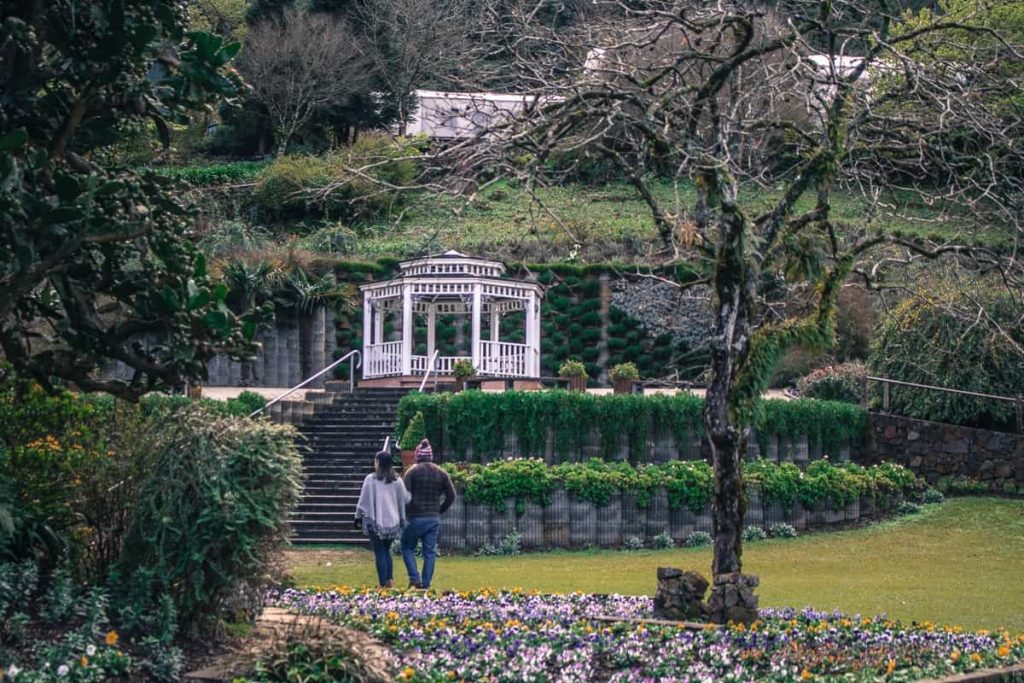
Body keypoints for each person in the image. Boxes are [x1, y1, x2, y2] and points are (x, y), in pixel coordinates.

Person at [401, 438, 455, 590]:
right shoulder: (441, 473)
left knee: (406, 546)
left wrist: (405, 513)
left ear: (418, 456)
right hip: (433, 518)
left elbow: (404, 496)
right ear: (431, 456)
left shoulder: (411, 472)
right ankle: (425, 584)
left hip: (415, 517)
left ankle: (414, 578)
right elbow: (451, 495)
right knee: (429, 553)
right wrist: (439, 509)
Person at [354, 450, 411, 588]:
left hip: (375, 522)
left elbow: (363, 501)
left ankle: (383, 583)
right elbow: (406, 498)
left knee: (379, 551)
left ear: (378, 462)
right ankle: (390, 580)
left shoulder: (370, 479)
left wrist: (357, 517)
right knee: (386, 551)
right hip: (393, 522)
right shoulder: (397, 480)